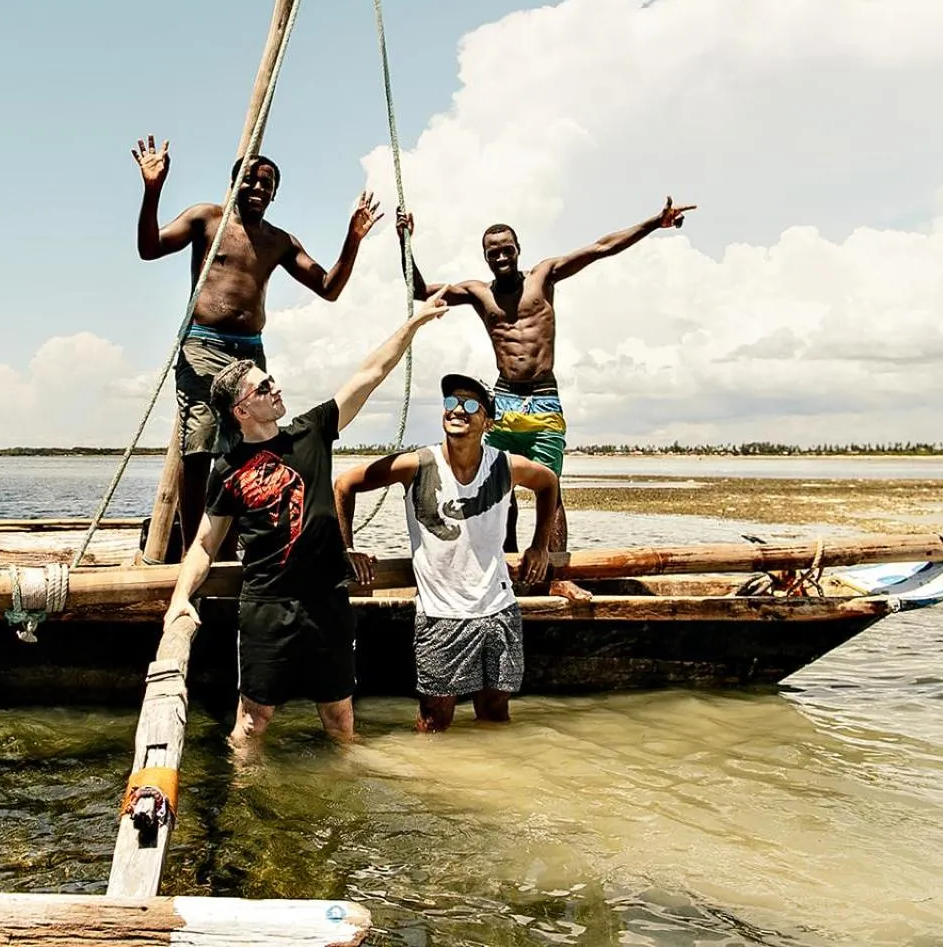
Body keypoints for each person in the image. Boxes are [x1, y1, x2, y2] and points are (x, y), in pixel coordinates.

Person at [161, 289, 453, 747]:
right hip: (267, 608)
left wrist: (413, 325)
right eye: (263, 387)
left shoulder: (312, 431)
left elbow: (370, 374)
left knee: (340, 718)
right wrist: (180, 598)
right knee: (253, 723)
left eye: (270, 380)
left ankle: (345, 801)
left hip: (327, 605)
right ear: (242, 410)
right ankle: (247, 805)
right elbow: (203, 544)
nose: (275, 388)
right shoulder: (229, 468)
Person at [396, 197, 696, 552]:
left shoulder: (544, 275)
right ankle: (502, 564)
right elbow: (419, 291)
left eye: (507, 250)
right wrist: (405, 242)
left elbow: (602, 248)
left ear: (518, 249)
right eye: (494, 253)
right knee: (497, 487)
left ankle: (554, 568)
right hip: (503, 402)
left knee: (549, 488)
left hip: (543, 401)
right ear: (486, 257)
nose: (502, 257)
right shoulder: (478, 293)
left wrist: (653, 223)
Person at [134, 135, 383, 553]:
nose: (256, 188)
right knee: (199, 446)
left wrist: (353, 239)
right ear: (233, 184)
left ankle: (230, 540)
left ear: (274, 193)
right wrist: (153, 189)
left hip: (248, 352)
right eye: (248, 180)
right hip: (204, 345)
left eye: (265, 183)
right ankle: (197, 544)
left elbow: (328, 287)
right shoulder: (207, 219)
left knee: (245, 448)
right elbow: (148, 248)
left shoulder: (278, 240)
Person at [335, 374, 590, 732]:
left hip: (499, 609)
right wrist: (346, 547)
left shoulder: (504, 465)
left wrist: (539, 546)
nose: (458, 411)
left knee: (496, 711)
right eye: (451, 403)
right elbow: (345, 484)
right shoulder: (418, 464)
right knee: (434, 718)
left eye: (471, 405)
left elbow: (548, 482)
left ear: (488, 421)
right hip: (441, 615)